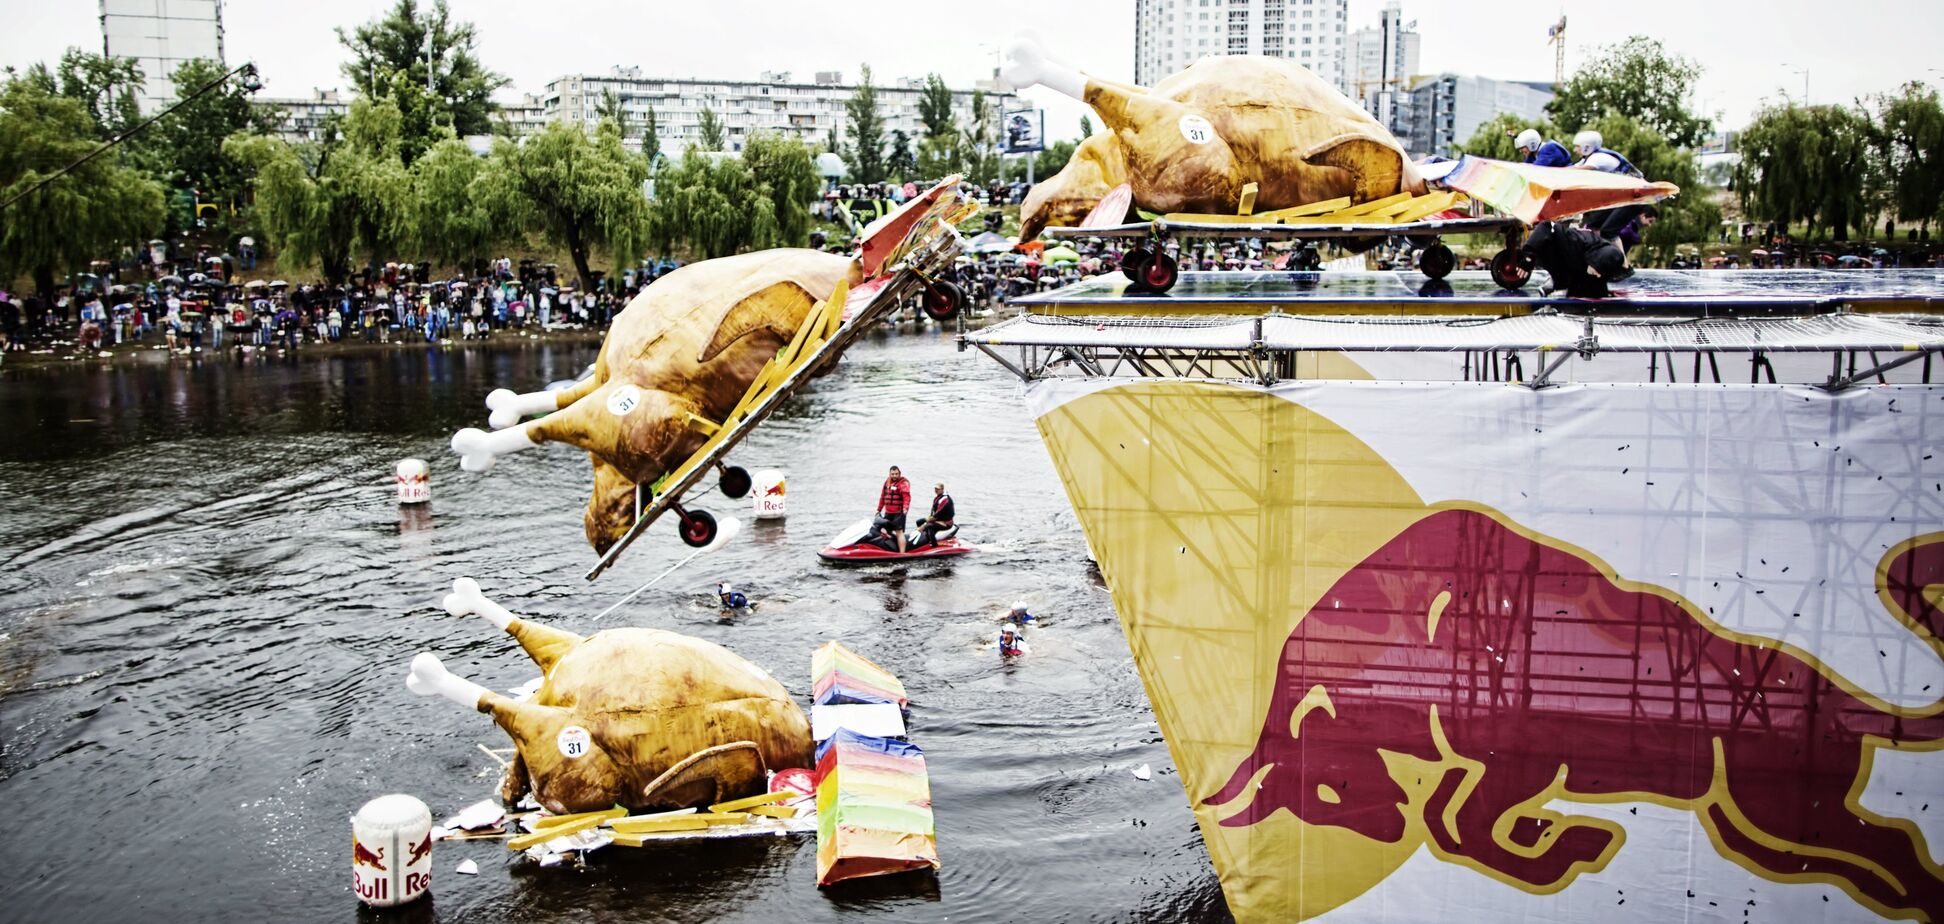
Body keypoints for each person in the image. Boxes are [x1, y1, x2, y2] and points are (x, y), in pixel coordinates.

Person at [1518, 221, 1631, 299]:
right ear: (1595, 261)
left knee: (1594, 288)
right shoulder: (1575, 241)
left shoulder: (1602, 267)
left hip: (1576, 281)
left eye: (1601, 273)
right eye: (1598, 271)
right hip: (1562, 266)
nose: (1598, 275)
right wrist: (1529, 256)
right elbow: (1546, 226)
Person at [875, 464, 912, 553]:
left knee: (899, 532)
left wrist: (905, 508)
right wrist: (879, 510)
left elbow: (907, 497)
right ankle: (890, 550)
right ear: (890, 474)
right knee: (887, 532)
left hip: (898, 513)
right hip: (888, 513)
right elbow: (882, 497)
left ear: (899, 473)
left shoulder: (903, 483)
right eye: (892, 474)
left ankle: (902, 553)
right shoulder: (887, 482)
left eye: (896, 474)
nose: (894, 476)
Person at [914, 482, 955, 548]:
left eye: (938, 489)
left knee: (929, 526)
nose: (936, 490)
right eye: (935, 488)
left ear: (942, 489)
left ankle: (934, 545)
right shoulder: (939, 497)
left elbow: (937, 515)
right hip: (938, 519)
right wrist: (925, 522)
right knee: (919, 521)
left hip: (946, 523)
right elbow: (934, 513)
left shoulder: (945, 499)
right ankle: (923, 539)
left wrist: (924, 525)